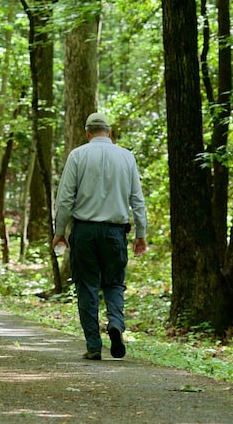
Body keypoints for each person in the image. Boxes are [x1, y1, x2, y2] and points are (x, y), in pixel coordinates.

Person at [52, 112, 148, 360]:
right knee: (114, 283)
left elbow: (64, 199)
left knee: (87, 286)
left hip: (84, 231)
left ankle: (94, 346)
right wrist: (141, 233)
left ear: (87, 132)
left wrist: (59, 232)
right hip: (116, 232)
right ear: (110, 132)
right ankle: (115, 322)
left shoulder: (77, 155)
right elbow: (137, 199)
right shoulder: (126, 157)